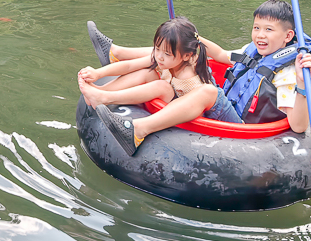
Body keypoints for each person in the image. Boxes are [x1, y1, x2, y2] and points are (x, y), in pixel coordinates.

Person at [84, 0, 311, 152]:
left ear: (288, 36)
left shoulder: (287, 74)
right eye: (256, 27)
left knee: (208, 91)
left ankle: (138, 129)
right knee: (174, 49)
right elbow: (220, 54)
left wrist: (302, 84)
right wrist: (192, 37)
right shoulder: (253, 51)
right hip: (226, 104)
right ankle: (104, 84)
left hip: (239, 125)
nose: (260, 35)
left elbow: (298, 126)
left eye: (269, 30)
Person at [78, 16, 242, 155]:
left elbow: (197, 112)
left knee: (162, 87)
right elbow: (129, 65)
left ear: (186, 56)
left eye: (167, 53)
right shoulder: (166, 59)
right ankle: (100, 92)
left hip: (208, 117)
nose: (160, 57)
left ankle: (107, 99)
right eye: (157, 49)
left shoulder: (192, 80)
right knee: (146, 73)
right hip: (177, 97)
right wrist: (98, 74)